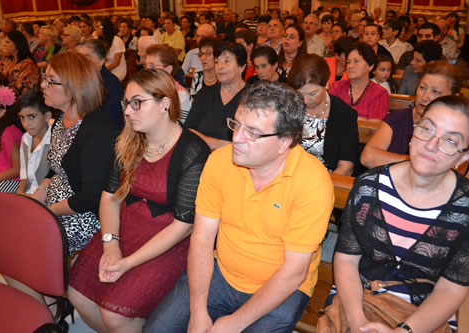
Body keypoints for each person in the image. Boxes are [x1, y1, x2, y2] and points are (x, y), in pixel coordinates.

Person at [145, 80, 334, 333]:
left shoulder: (312, 181)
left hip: (281, 285)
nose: (236, 138)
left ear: (284, 142)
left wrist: (233, 323)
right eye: (236, 124)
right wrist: (198, 312)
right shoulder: (220, 162)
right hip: (222, 273)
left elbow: (294, 272)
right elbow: (201, 239)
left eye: (253, 133)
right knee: (157, 329)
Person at [68, 68, 210, 333]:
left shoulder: (192, 151)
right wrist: (111, 245)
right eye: (126, 103)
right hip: (125, 227)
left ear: (164, 103)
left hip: (168, 240)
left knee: (114, 315)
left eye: (137, 103)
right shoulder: (129, 141)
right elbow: (109, 198)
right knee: (77, 294)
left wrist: (126, 263)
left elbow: (184, 225)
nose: (127, 111)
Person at [331, 95, 469, 333]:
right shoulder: (370, 186)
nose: (431, 145)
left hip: (424, 313)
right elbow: (347, 259)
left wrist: (404, 331)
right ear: (414, 130)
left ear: (464, 157)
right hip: (356, 298)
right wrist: (358, 322)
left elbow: (452, 287)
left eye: (451, 141)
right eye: (427, 129)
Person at [31, 52, 118, 256]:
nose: (43, 85)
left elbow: (91, 197)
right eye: (45, 78)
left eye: (51, 81)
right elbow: (56, 170)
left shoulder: (98, 130)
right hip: (56, 206)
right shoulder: (61, 121)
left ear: (74, 88)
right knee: (10, 233)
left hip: (85, 216)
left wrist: (47, 213)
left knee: (28, 247)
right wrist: (37, 197)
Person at [361, 60, 463, 169]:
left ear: (453, 98)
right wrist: (415, 160)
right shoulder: (398, 118)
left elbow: (448, 172)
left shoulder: (456, 133)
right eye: (422, 88)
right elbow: (367, 157)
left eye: (435, 92)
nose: (424, 97)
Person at [289, 53, 358, 176]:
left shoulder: (344, 114)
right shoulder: (288, 107)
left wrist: (321, 187)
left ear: (326, 83)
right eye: (299, 94)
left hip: (327, 179)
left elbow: (346, 167)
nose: (305, 101)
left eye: (312, 94)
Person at [185, 42, 247, 150]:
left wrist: (204, 141)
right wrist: (221, 144)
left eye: (227, 61)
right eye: (217, 62)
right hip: (199, 155)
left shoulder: (252, 98)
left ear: (242, 67)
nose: (220, 67)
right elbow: (188, 130)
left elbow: (248, 141)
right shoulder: (204, 94)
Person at [330, 42, 388, 120]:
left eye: (356, 61)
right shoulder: (337, 87)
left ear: (370, 66)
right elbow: (328, 117)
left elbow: (374, 126)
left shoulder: (379, 93)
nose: (350, 66)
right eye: (348, 62)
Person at [77, 39, 124, 129]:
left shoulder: (112, 84)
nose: (81, 61)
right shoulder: (77, 78)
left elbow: (109, 118)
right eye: (79, 57)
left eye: (86, 57)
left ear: (101, 60)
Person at [16, 90, 53, 194]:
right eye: (22, 118)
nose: (26, 124)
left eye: (32, 117)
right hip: (29, 194)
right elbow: (24, 173)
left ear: (47, 116)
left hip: (45, 197)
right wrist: (20, 192)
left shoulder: (55, 140)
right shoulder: (25, 138)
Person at [144, 45, 193, 124]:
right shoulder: (146, 88)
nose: (146, 69)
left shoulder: (180, 95)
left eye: (152, 65)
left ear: (168, 70)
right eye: (146, 65)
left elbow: (181, 128)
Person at [0, 30, 39, 97]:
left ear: (17, 45)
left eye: (7, 42)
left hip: (18, 100)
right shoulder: (7, 59)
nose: (4, 44)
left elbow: (23, 89)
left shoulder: (28, 64)